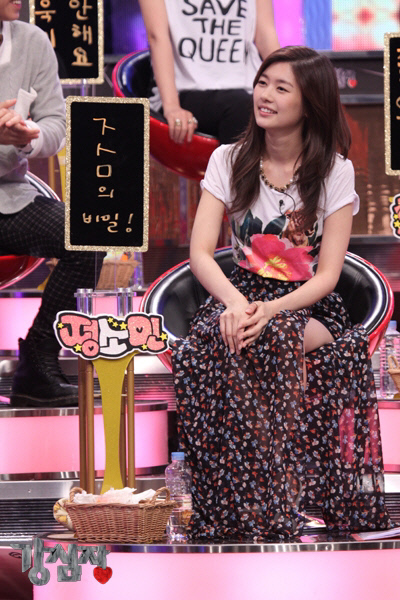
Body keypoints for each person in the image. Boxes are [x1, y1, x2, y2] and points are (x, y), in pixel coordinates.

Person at [172, 46, 395, 540]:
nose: (264, 96)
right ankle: (237, 505)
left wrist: (269, 310)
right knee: (207, 348)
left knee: (270, 339)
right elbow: (201, 254)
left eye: (280, 88)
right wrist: (236, 304)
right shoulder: (227, 159)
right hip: (238, 293)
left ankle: (273, 499)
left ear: (309, 102)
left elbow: (328, 275)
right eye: (261, 83)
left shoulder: (334, 170)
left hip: (305, 301)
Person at [0, 1, 104, 407]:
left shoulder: (32, 40)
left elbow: (56, 124)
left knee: (86, 234)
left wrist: (28, 135)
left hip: (9, 199)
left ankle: (39, 358)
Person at [138, 0, 280, 144]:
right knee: (243, 108)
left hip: (248, 88)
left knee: (282, 108)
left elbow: (265, 36)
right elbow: (157, 37)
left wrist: (289, 81)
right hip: (185, 90)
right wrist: (172, 107)